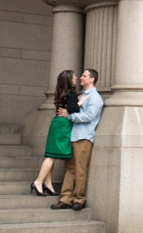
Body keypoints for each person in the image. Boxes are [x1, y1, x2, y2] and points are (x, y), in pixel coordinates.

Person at [51, 68, 103, 211]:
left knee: (80, 168)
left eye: (84, 76)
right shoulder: (81, 96)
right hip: (73, 135)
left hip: (84, 136)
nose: (80, 78)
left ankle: (78, 199)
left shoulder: (94, 97)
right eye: (80, 76)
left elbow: (89, 116)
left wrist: (69, 115)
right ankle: (65, 198)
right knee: (70, 168)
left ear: (92, 79)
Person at [31, 69, 79, 196]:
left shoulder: (60, 92)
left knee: (52, 154)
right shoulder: (71, 93)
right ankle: (38, 182)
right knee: (52, 156)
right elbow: (74, 109)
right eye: (74, 77)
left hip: (56, 122)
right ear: (69, 80)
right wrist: (81, 101)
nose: (75, 78)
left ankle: (48, 184)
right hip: (63, 125)